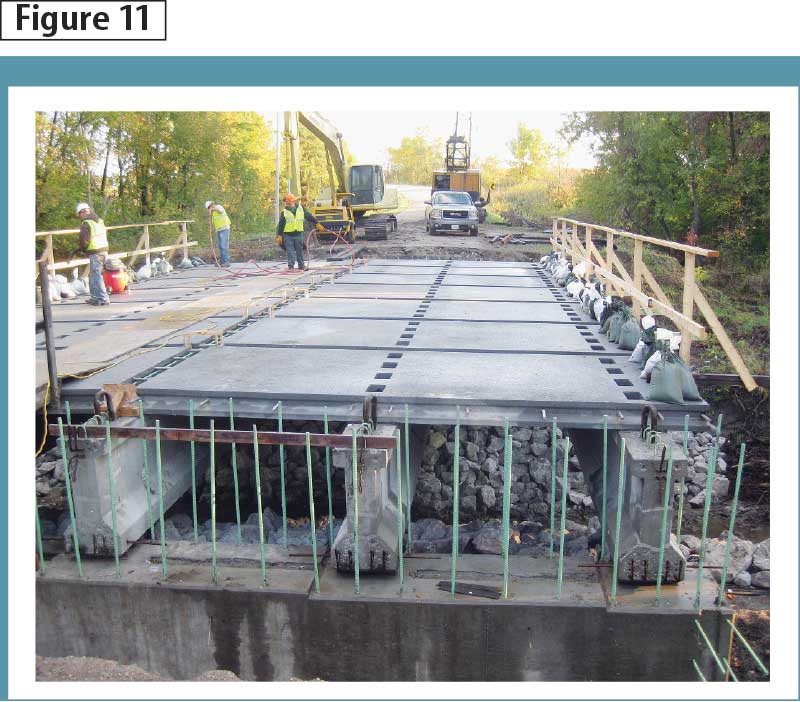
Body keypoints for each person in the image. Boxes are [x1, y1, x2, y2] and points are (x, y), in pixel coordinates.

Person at [76, 202, 110, 306]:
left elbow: (84, 240)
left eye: (79, 214)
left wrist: (83, 249)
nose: (79, 216)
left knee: (96, 276)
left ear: (82, 212)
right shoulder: (99, 221)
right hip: (104, 250)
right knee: (94, 275)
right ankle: (95, 297)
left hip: (96, 252)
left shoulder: (86, 223)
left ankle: (103, 298)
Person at [276, 193, 319, 271]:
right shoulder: (284, 212)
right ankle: (291, 267)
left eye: (290, 203)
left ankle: (301, 266)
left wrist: (317, 222)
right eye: (287, 203)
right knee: (290, 252)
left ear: (294, 202)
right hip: (288, 235)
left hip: (298, 234)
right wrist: (279, 235)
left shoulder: (301, 209)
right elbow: (281, 225)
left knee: (299, 250)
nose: (288, 205)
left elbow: (309, 216)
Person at [205, 200, 231, 266]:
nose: (209, 209)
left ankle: (226, 262)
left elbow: (220, 211)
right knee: (220, 246)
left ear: (212, 205)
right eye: (208, 208)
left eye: (209, 207)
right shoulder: (214, 213)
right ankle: (222, 261)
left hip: (224, 229)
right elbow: (214, 223)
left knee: (223, 245)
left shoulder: (219, 207)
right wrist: (211, 229)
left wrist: (213, 209)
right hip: (219, 230)